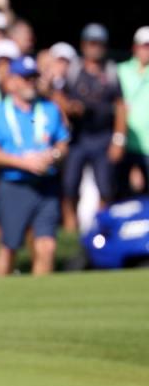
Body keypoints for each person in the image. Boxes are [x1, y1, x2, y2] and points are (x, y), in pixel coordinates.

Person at [0, 56, 69, 276]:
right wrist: (22, 162)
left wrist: (53, 155)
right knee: (9, 248)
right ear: (13, 81)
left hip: (45, 185)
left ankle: (41, 300)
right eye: (25, 78)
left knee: (47, 247)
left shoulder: (49, 109)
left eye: (33, 78)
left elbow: (62, 142)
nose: (30, 83)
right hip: (14, 186)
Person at [53, 24, 126, 232]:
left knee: (105, 186)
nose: (95, 48)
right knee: (69, 185)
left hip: (103, 137)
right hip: (78, 137)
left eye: (99, 44)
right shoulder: (73, 70)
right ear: (84, 45)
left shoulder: (111, 72)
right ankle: (70, 228)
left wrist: (118, 140)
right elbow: (58, 96)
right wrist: (69, 108)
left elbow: (121, 107)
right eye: (91, 43)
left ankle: (100, 229)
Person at [117, 26, 149, 197]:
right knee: (121, 193)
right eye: (145, 45)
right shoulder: (120, 70)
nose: (147, 50)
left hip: (147, 145)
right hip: (123, 143)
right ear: (135, 47)